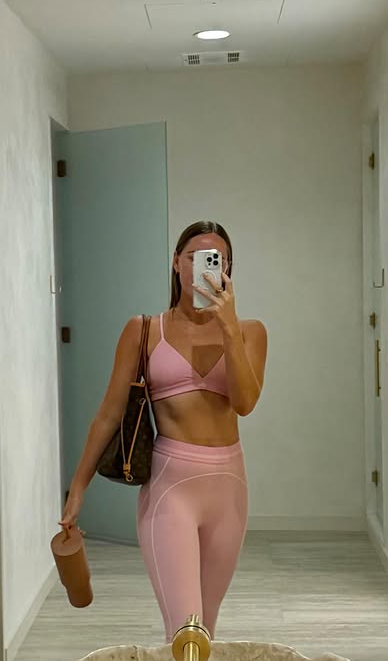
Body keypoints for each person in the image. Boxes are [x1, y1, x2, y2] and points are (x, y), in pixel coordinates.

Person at [61, 222, 268, 639]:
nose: (204, 266)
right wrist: (78, 489)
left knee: (206, 630)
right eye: (194, 257)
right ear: (176, 263)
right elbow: (108, 414)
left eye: (218, 260)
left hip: (229, 491)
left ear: (228, 269)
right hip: (170, 489)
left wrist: (228, 326)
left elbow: (245, 403)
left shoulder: (249, 332)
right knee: (185, 630)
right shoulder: (143, 330)